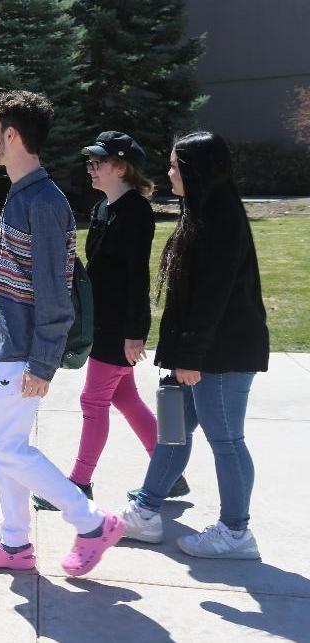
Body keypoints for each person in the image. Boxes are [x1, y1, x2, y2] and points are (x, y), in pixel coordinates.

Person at [0, 91, 123, 576]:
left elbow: (56, 291)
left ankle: (91, 522)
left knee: (3, 447)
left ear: (11, 135)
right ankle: (15, 545)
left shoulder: (45, 202)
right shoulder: (25, 194)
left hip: (27, 349)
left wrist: (42, 362)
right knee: (3, 446)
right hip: (7, 346)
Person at [119, 131, 269, 559]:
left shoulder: (220, 220)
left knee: (226, 440)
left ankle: (237, 532)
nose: (168, 172)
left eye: (174, 165)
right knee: (171, 429)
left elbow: (213, 297)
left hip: (220, 355)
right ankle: (145, 511)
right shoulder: (200, 211)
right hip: (194, 353)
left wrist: (190, 357)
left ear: (196, 170)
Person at [33, 131, 188, 511]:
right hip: (99, 321)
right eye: (89, 162)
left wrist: (136, 333)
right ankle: (170, 474)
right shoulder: (104, 207)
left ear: (121, 167)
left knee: (93, 400)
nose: (91, 168)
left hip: (119, 327)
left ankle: (79, 484)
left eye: (97, 162)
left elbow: (138, 278)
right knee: (126, 397)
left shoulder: (135, 212)